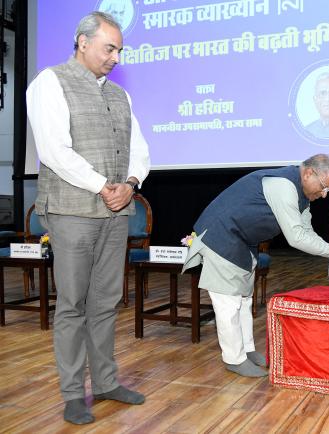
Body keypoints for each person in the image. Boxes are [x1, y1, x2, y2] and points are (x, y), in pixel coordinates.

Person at [25, 11, 150, 425]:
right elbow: (54, 150)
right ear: (82, 42)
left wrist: (130, 183)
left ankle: (108, 382)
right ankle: (73, 394)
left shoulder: (120, 95)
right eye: (108, 48)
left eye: (119, 50)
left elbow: (140, 149)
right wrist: (103, 185)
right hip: (72, 212)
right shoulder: (49, 82)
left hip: (116, 212)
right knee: (73, 305)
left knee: (105, 302)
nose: (115, 57)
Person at [182, 154, 329, 378]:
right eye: (324, 187)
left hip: (242, 241)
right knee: (228, 302)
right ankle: (234, 359)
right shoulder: (283, 185)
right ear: (308, 173)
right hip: (220, 236)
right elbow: (295, 237)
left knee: (244, 300)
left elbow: (306, 232)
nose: (324, 195)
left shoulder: (303, 195)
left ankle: (246, 350)